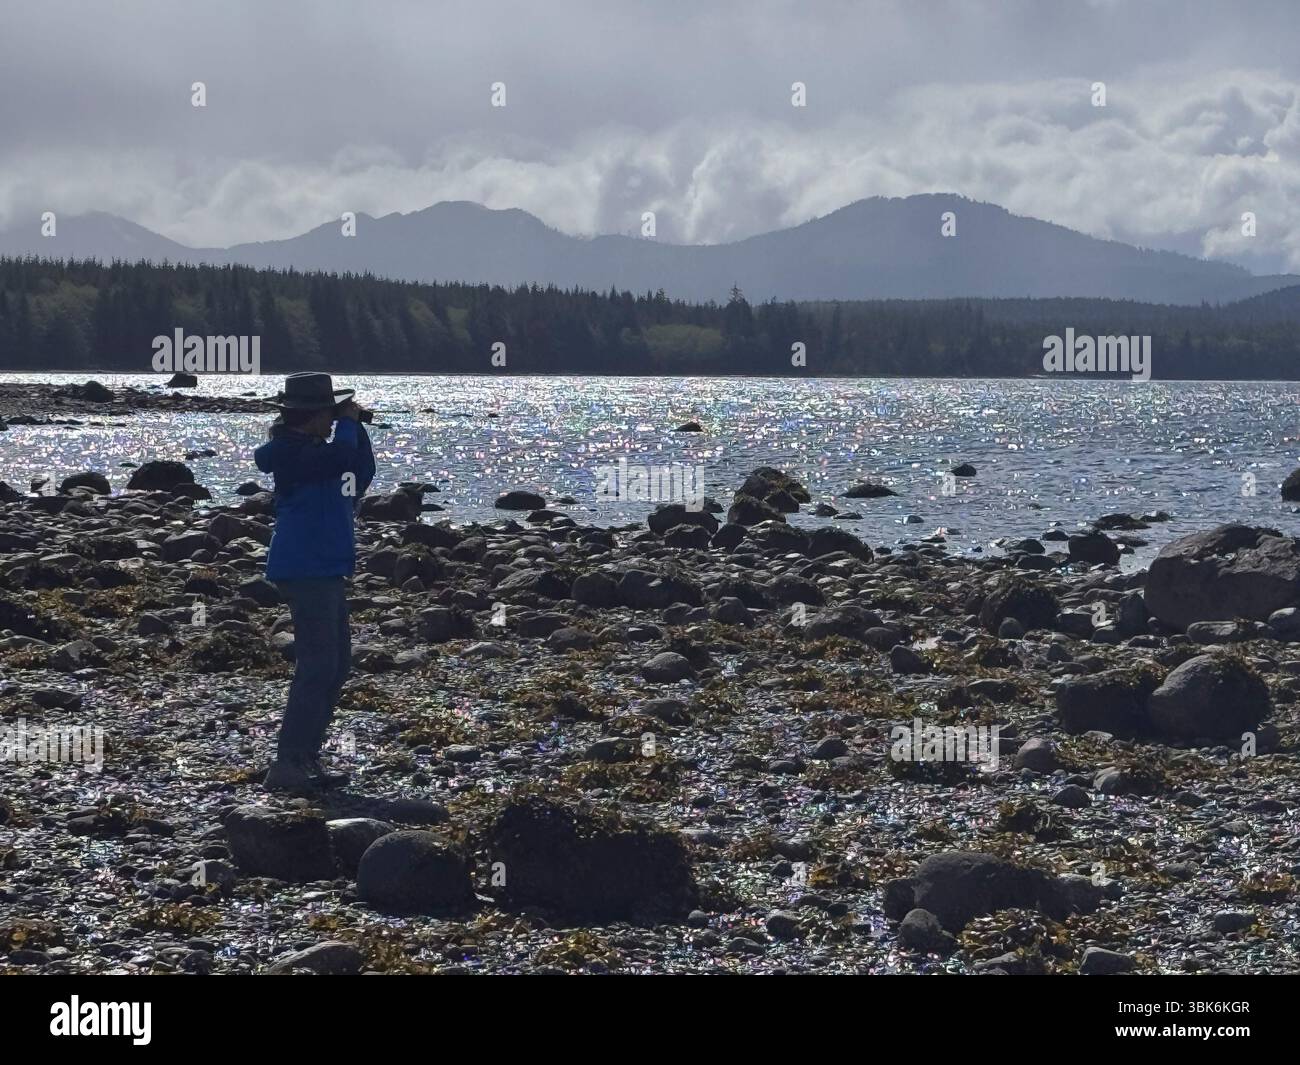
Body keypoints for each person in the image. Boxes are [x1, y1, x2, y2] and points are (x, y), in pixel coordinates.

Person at [254, 372, 375, 791]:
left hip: (325, 566)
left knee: (336, 665)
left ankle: (305, 758)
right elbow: (340, 459)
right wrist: (348, 423)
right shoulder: (290, 454)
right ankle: (287, 762)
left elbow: (359, 471)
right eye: (330, 413)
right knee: (318, 666)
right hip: (305, 567)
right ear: (313, 415)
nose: (333, 422)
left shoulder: (318, 451)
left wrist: (355, 427)